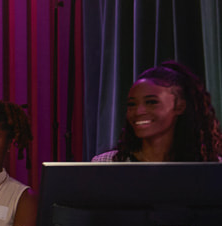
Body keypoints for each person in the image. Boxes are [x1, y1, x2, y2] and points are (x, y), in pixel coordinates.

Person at [92, 61, 222, 162]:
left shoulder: (210, 167)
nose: (138, 111)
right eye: (132, 104)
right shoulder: (106, 163)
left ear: (180, 107)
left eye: (151, 102)